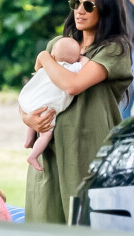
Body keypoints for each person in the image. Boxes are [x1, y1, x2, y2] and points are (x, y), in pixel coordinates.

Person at [20, 0, 133, 224]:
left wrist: (45, 57)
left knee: (86, 220)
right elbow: (35, 92)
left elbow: (73, 84)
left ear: (107, 9)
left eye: (89, 5)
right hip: (50, 149)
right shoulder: (59, 45)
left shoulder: (114, 50)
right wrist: (28, 118)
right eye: (76, 3)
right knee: (45, 219)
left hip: (87, 148)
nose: (79, 10)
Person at [18, 37, 89, 171]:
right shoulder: (71, 68)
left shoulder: (47, 67)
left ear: (53, 55)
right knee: (46, 133)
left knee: (35, 114)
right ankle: (33, 156)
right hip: (46, 106)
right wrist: (81, 57)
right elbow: (86, 62)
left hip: (28, 101)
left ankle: (28, 140)